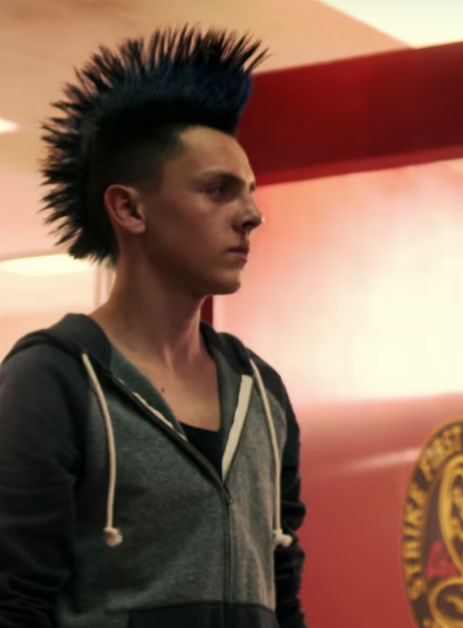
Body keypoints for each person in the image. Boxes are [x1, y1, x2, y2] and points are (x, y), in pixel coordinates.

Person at [0, 27, 306, 627]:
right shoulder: (52, 380)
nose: (252, 215)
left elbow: (283, 591)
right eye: (218, 191)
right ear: (130, 208)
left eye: (249, 192)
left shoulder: (261, 393)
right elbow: (13, 602)